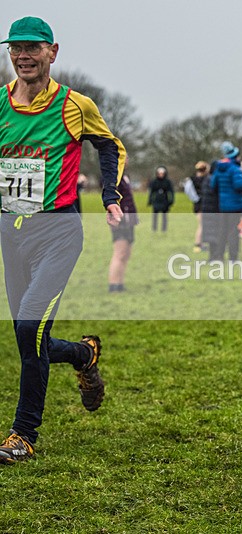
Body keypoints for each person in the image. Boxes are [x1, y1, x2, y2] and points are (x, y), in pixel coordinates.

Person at [0, 16, 125, 463]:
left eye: (32, 47)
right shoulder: (0, 103)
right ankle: (83, 354)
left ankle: (23, 434)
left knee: (29, 327)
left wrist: (110, 195)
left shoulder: (75, 104)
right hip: (11, 231)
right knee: (26, 335)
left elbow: (109, 145)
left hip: (58, 231)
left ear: (53, 52)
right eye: (15, 47)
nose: (23, 55)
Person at [210, 141, 242, 262]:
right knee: (233, 232)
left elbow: (213, 185)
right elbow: (238, 185)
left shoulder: (218, 169)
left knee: (222, 231)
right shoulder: (235, 169)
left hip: (223, 205)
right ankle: (233, 257)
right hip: (235, 205)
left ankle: (219, 256)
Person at [109, 169, 139, 292]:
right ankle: (113, 284)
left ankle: (120, 283)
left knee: (126, 252)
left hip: (128, 220)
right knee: (120, 252)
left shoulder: (124, 176)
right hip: (120, 220)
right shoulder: (115, 177)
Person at [188, 161, 208, 253]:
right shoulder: (205, 179)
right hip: (201, 205)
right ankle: (197, 244)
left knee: (202, 225)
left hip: (197, 204)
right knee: (202, 225)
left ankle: (201, 243)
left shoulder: (191, 179)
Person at [148, 166, 174, 232]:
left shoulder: (167, 182)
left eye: (162, 173)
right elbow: (151, 192)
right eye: (159, 173)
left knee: (164, 216)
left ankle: (164, 229)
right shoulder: (154, 182)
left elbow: (171, 192)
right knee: (155, 216)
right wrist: (150, 200)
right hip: (157, 200)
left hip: (164, 200)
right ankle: (154, 229)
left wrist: (171, 200)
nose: (161, 175)